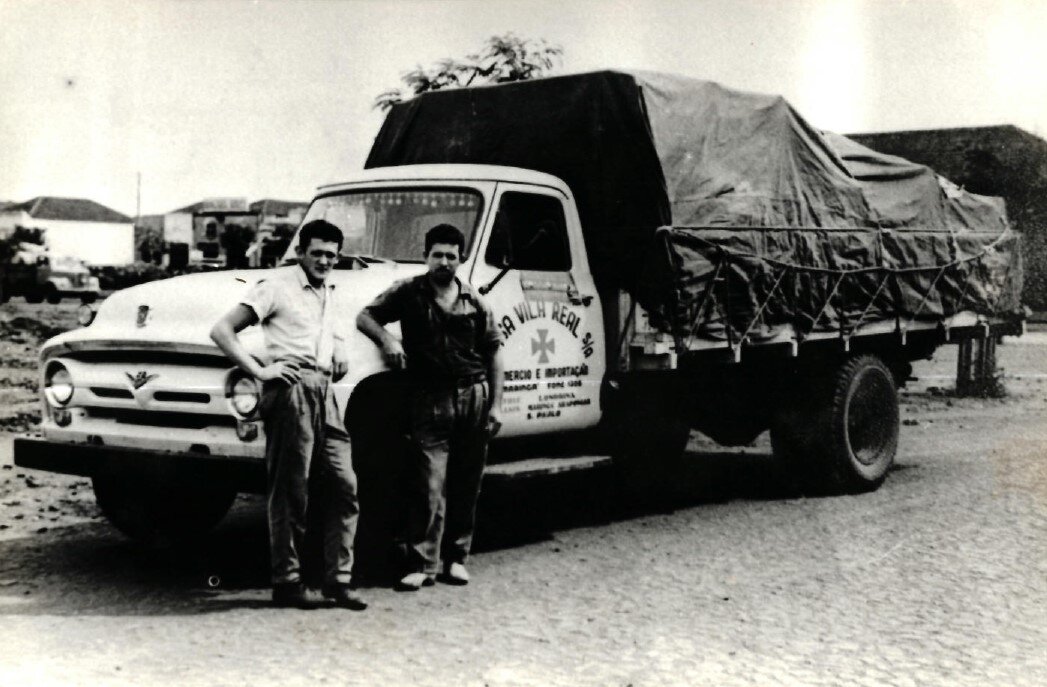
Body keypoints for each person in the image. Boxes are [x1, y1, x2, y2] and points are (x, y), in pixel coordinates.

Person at [210, 219, 366, 611]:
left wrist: (339, 346)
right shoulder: (276, 286)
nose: (324, 261)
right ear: (301, 252)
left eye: (331, 255)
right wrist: (260, 371)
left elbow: (326, 327)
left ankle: (339, 581)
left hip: (324, 392)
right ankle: (287, 582)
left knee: (345, 485)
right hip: (290, 391)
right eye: (317, 253)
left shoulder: (329, 288)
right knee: (292, 491)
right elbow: (223, 330)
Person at [357, 223, 503, 591]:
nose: (444, 262)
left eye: (451, 256)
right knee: (428, 484)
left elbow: (494, 352)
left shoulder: (474, 300)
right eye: (437, 255)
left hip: (473, 395)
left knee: (467, 482)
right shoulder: (408, 292)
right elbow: (366, 316)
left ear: (461, 258)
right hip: (429, 398)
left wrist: (496, 405)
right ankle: (422, 564)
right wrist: (387, 339)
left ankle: (456, 559)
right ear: (425, 256)